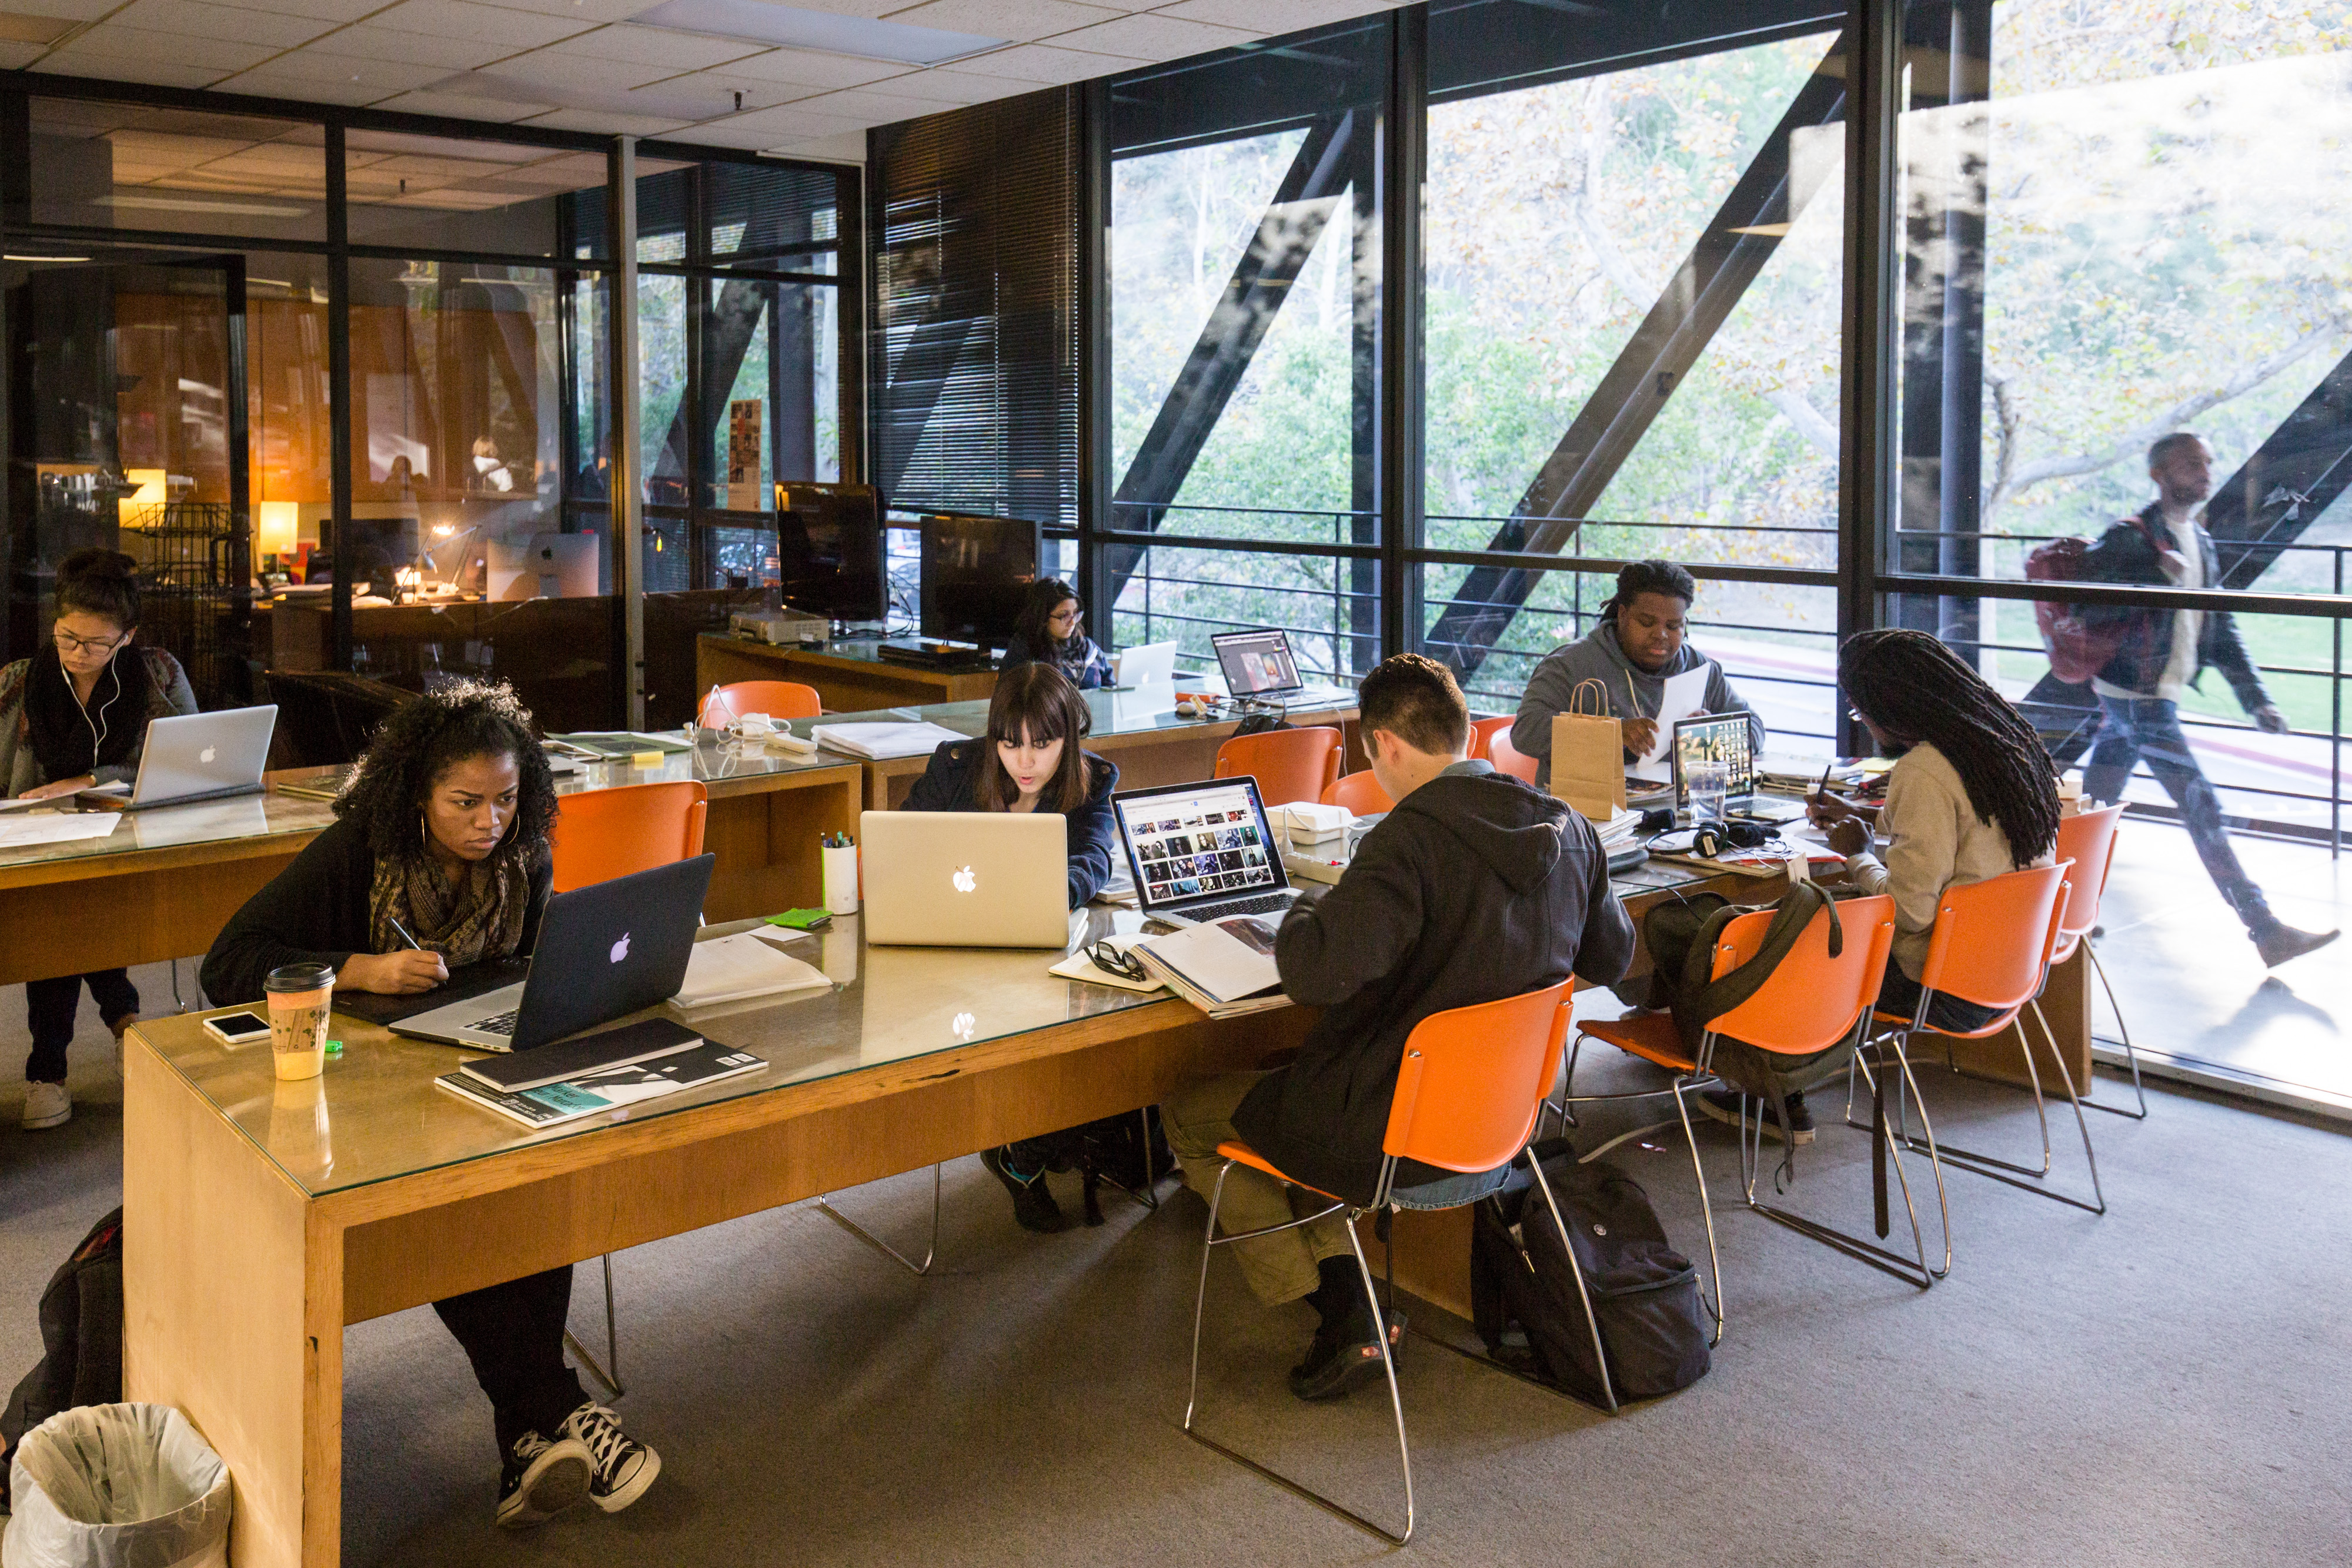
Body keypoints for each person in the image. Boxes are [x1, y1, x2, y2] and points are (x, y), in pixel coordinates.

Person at [200, 681, 659, 1530]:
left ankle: (529, 1439)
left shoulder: (525, 853)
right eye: (466, 802)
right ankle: (552, 1408)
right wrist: (360, 967)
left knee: (535, 1189)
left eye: (508, 799)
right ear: (419, 792)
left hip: (476, 1058)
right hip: (360, 1082)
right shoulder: (355, 851)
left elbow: (530, 958)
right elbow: (229, 960)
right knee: (451, 1216)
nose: (491, 820)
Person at [1162, 653, 1635, 1400]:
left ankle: (1339, 1306)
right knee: (1293, 1094)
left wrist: (1308, 908)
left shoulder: (1407, 842)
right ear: (1467, 734)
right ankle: (1351, 1290)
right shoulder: (1568, 827)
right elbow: (1613, 957)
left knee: (1191, 1110)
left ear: (1383, 744)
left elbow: (1316, 973)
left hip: (1392, 1135)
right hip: (1500, 1129)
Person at [1778, 628, 2063, 1145]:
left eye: (1860, 708)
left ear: (1891, 706)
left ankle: (1771, 1089)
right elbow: (1960, 844)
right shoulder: (2004, 744)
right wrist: (1864, 819)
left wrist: (1858, 854)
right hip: (2009, 973)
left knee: (1787, 947)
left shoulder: (1924, 771)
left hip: (1939, 985)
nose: (1861, 720)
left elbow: (1908, 913)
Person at [2076, 432, 2336, 967]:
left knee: (2095, 809)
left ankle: (2059, 916)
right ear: (2159, 474)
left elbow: (2219, 630)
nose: (2205, 471)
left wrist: (2256, 699)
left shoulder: (2202, 541)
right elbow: (2087, 605)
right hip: (2139, 699)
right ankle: (2266, 930)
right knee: (2202, 807)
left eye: (2208, 462)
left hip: (2141, 698)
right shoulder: (2131, 540)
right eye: (2191, 463)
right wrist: (2152, 575)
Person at [905, 663, 1122, 1231]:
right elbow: (902, 841)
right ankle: (1023, 1150)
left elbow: (1094, 861)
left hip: (1041, 953)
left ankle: (1021, 1154)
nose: (1025, 762)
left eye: (1043, 745)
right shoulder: (955, 768)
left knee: (1095, 1039)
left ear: (1067, 739)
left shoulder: (1092, 780)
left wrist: (1039, 892)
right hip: (947, 950)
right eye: (1010, 743)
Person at [0, 550, 198, 1131]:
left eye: (95, 644)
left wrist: (90, 780)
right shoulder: (17, 682)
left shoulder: (158, 674)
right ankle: (123, 1028)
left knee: (67, 926)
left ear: (128, 638)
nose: (77, 653)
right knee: (64, 918)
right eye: (67, 637)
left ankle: (49, 1072)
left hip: (135, 838)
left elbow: (188, 760)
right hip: (40, 845)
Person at [1511, 559, 1765, 790]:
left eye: (1674, 626)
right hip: (1587, 816)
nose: (1661, 635)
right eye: (1646, 622)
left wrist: (1715, 734)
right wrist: (1613, 733)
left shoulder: (1700, 668)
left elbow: (1754, 727)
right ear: (1622, 615)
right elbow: (1526, 732)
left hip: (1679, 811)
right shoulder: (1571, 664)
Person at [999, 578, 1112, 690]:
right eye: (1064, 616)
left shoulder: (1088, 649)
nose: (1073, 622)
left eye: (1075, 613)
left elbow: (1111, 689)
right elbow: (1010, 698)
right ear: (1043, 618)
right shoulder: (1023, 653)